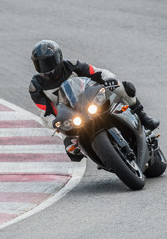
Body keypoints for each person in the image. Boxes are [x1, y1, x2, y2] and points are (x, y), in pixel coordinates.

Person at [29, 40, 159, 161]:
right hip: (70, 118)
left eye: (48, 62)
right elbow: (45, 111)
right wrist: (54, 122)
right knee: (72, 152)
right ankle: (98, 154)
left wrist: (109, 79)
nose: (45, 68)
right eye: (40, 64)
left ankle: (143, 117)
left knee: (123, 87)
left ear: (59, 57)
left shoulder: (72, 65)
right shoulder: (36, 87)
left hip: (91, 101)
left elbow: (96, 72)